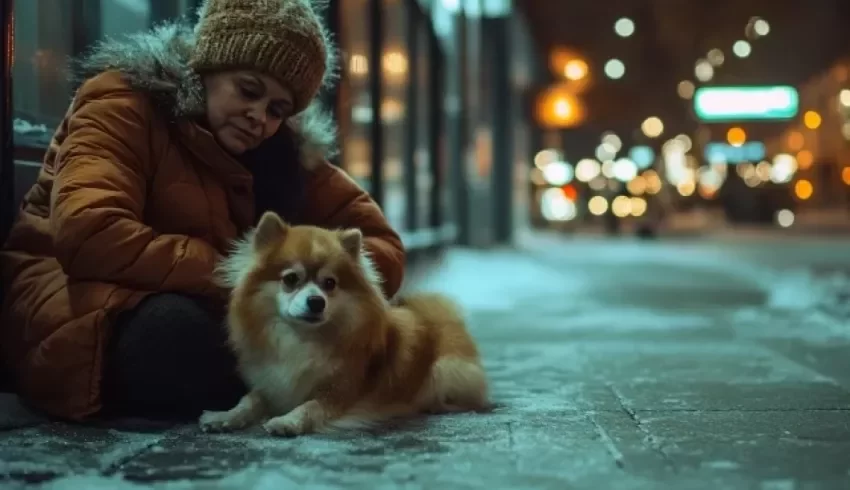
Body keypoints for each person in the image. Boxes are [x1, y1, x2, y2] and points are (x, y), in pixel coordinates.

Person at [0, 0, 405, 422]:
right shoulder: (121, 103)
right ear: (210, 65)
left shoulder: (282, 151)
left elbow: (382, 247)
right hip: (78, 308)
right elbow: (90, 232)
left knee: (358, 326)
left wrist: (336, 282)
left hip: (199, 307)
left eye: (277, 109)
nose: (259, 117)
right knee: (175, 335)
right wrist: (238, 272)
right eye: (249, 90)